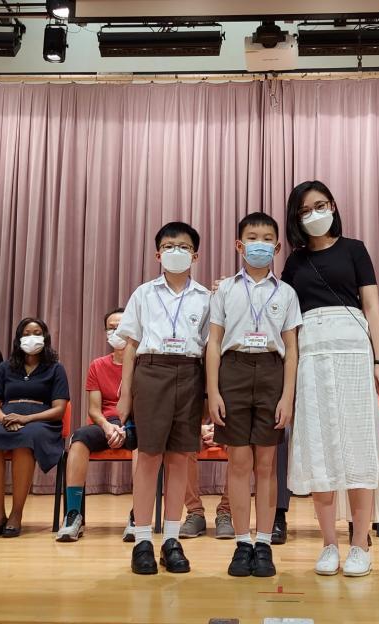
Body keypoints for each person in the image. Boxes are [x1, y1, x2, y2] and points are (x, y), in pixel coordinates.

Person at [281, 181, 379, 577]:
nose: (314, 214)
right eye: (304, 210)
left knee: (358, 447)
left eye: (320, 205)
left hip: (354, 353)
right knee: (320, 449)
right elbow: (286, 316)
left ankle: (360, 543)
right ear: (296, 219)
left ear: (333, 206)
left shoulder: (355, 249)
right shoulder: (294, 262)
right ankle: (329, 543)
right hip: (311, 356)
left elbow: (372, 307)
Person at [207, 211, 302, 577]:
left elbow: (291, 349)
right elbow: (213, 343)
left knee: (266, 464)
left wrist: (287, 396)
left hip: (271, 372)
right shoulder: (225, 290)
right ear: (239, 245)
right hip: (233, 370)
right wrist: (213, 391)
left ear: (276, 248)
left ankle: (263, 542)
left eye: (266, 239)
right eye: (252, 238)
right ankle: (241, 543)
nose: (259, 244)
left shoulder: (287, 293)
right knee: (238, 463)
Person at [116, 222, 211, 575]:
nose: (176, 252)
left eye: (184, 246)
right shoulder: (144, 293)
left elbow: (210, 350)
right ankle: (142, 540)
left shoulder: (205, 298)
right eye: (169, 246)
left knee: (180, 459)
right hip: (151, 370)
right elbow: (131, 346)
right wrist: (125, 394)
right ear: (158, 254)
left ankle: (171, 540)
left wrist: (207, 395)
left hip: (190, 372)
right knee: (148, 457)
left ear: (195, 255)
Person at [0, 317, 70, 538]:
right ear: (18, 339)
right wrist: (4, 419)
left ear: (45, 337)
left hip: (40, 422)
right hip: (7, 418)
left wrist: (26, 419)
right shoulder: (5, 368)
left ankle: (16, 514)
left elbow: (59, 409)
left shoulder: (55, 369)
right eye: (26, 334)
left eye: (37, 333)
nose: (31, 338)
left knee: (25, 439)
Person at [56, 308, 137, 542]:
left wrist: (125, 428)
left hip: (134, 423)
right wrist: (108, 427)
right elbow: (94, 409)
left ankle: (138, 515)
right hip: (106, 423)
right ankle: (73, 514)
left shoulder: (142, 363)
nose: (116, 332)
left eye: (121, 326)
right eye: (111, 328)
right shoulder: (98, 365)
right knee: (79, 439)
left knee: (144, 444)